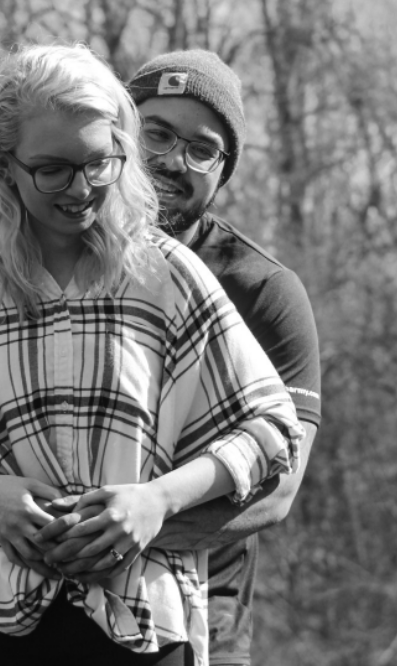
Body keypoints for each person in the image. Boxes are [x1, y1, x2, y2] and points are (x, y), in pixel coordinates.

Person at [0, 44, 305, 666]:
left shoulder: (168, 274)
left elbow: (273, 429)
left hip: (146, 626)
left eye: (99, 163)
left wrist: (156, 501)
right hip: (4, 623)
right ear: (5, 166)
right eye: (53, 169)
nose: (81, 189)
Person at [37, 50, 322, 666]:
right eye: (156, 133)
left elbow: (279, 489)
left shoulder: (264, 290)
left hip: (200, 613)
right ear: (117, 135)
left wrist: (131, 527)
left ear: (223, 172)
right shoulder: (40, 261)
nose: (171, 160)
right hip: (40, 599)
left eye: (202, 148)